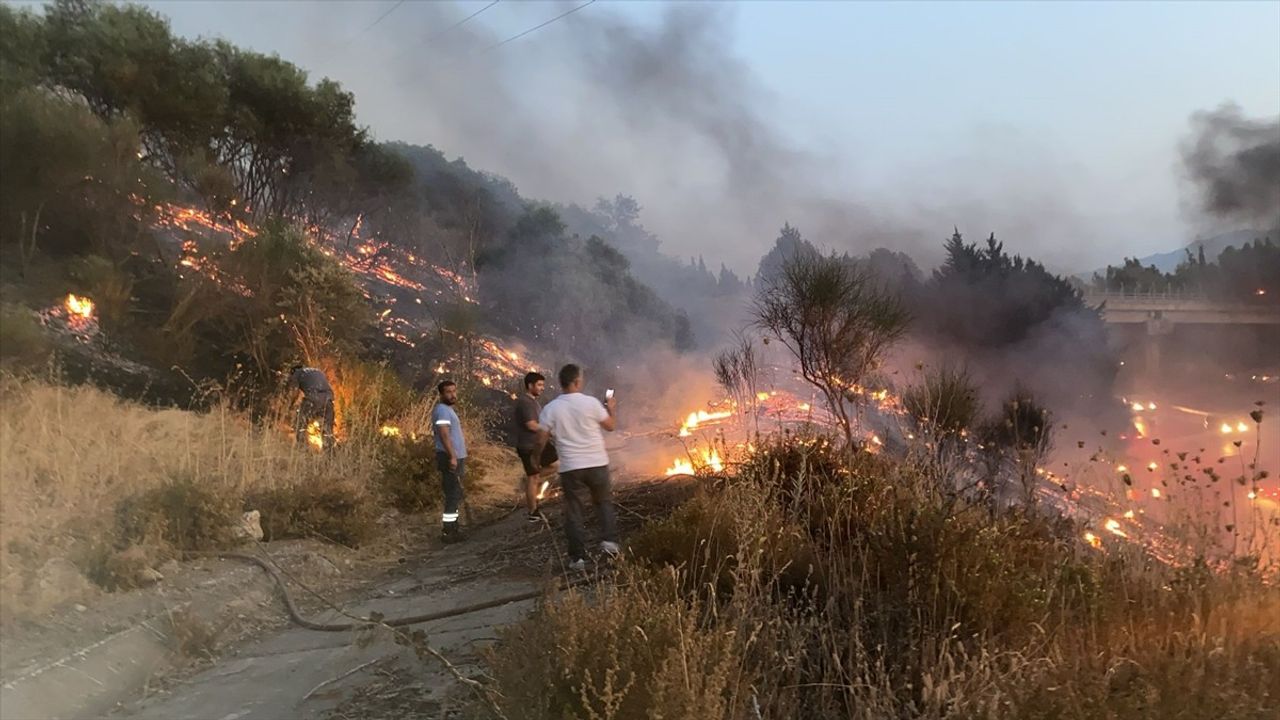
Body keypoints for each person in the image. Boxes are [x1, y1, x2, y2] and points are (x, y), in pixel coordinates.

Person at [538, 364, 618, 570]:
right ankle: (609, 542)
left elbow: (541, 439)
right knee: (604, 503)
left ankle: (577, 559)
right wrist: (611, 408)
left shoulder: (551, 409)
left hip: (571, 467)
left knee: (574, 512)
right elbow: (610, 426)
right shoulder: (591, 403)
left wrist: (537, 459)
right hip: (597, 463)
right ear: (577, 382)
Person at [514, 372, 558, 523]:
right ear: (530, 385)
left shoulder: (533, 402)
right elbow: (531, 425)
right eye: (539, 385)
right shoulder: (525, 402)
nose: (542, 388)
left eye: (542, 385)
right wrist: (549, 431)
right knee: (533, 477)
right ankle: (533, 512)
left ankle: (530, 480)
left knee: (555, 465)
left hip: (540, 443)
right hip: (528, 446)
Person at [432, 380, 468, 544]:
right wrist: (452, 456)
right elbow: (444, 435)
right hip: (449, 457)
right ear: (441, 394)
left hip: (455, 456)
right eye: (448, 392)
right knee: (452, 494)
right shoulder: (442, 411)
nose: (452, 395)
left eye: (454, 391)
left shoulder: (447, 410)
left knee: (455, 493)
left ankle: (454, 527)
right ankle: (448, 531)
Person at [287, 365, 335, 449]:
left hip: (313, 399)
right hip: (328, 400)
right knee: (327, 430)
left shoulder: (297, 373)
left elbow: (294, 392)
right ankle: (329, 454)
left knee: (301, 423)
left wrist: (290, 405)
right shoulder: (317, 370)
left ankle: (303, 449)